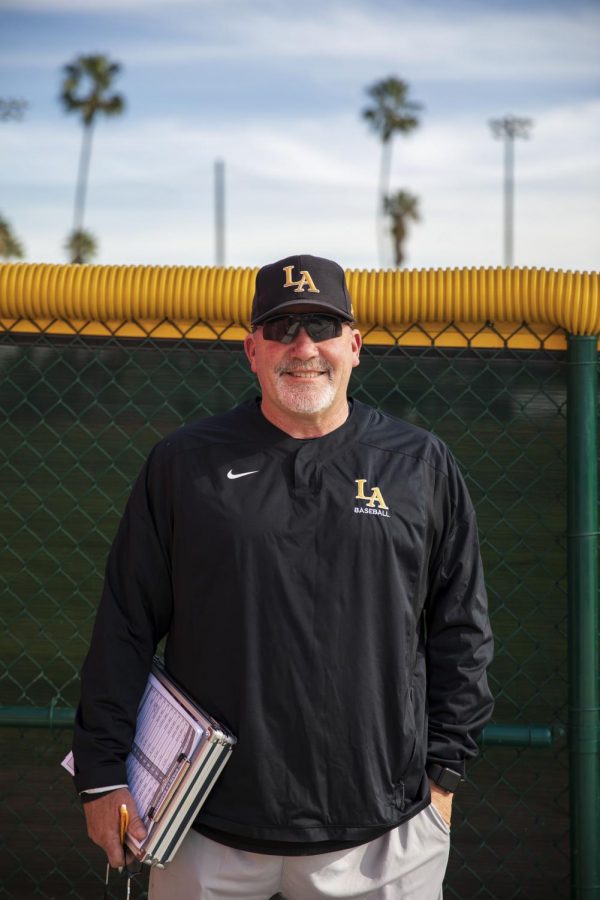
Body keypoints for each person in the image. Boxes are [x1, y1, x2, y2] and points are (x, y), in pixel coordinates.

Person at [72, 254, 494, 900]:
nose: (303, 347)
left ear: (354, 345)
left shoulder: (419, 463)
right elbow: (125, 622)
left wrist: (443, 779)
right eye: (281, 328)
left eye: (322, 326)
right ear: (251, 350)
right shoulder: (185, 463)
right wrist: (102, 775)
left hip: (381, 832)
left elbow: (461, 629)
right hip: (205, 827)